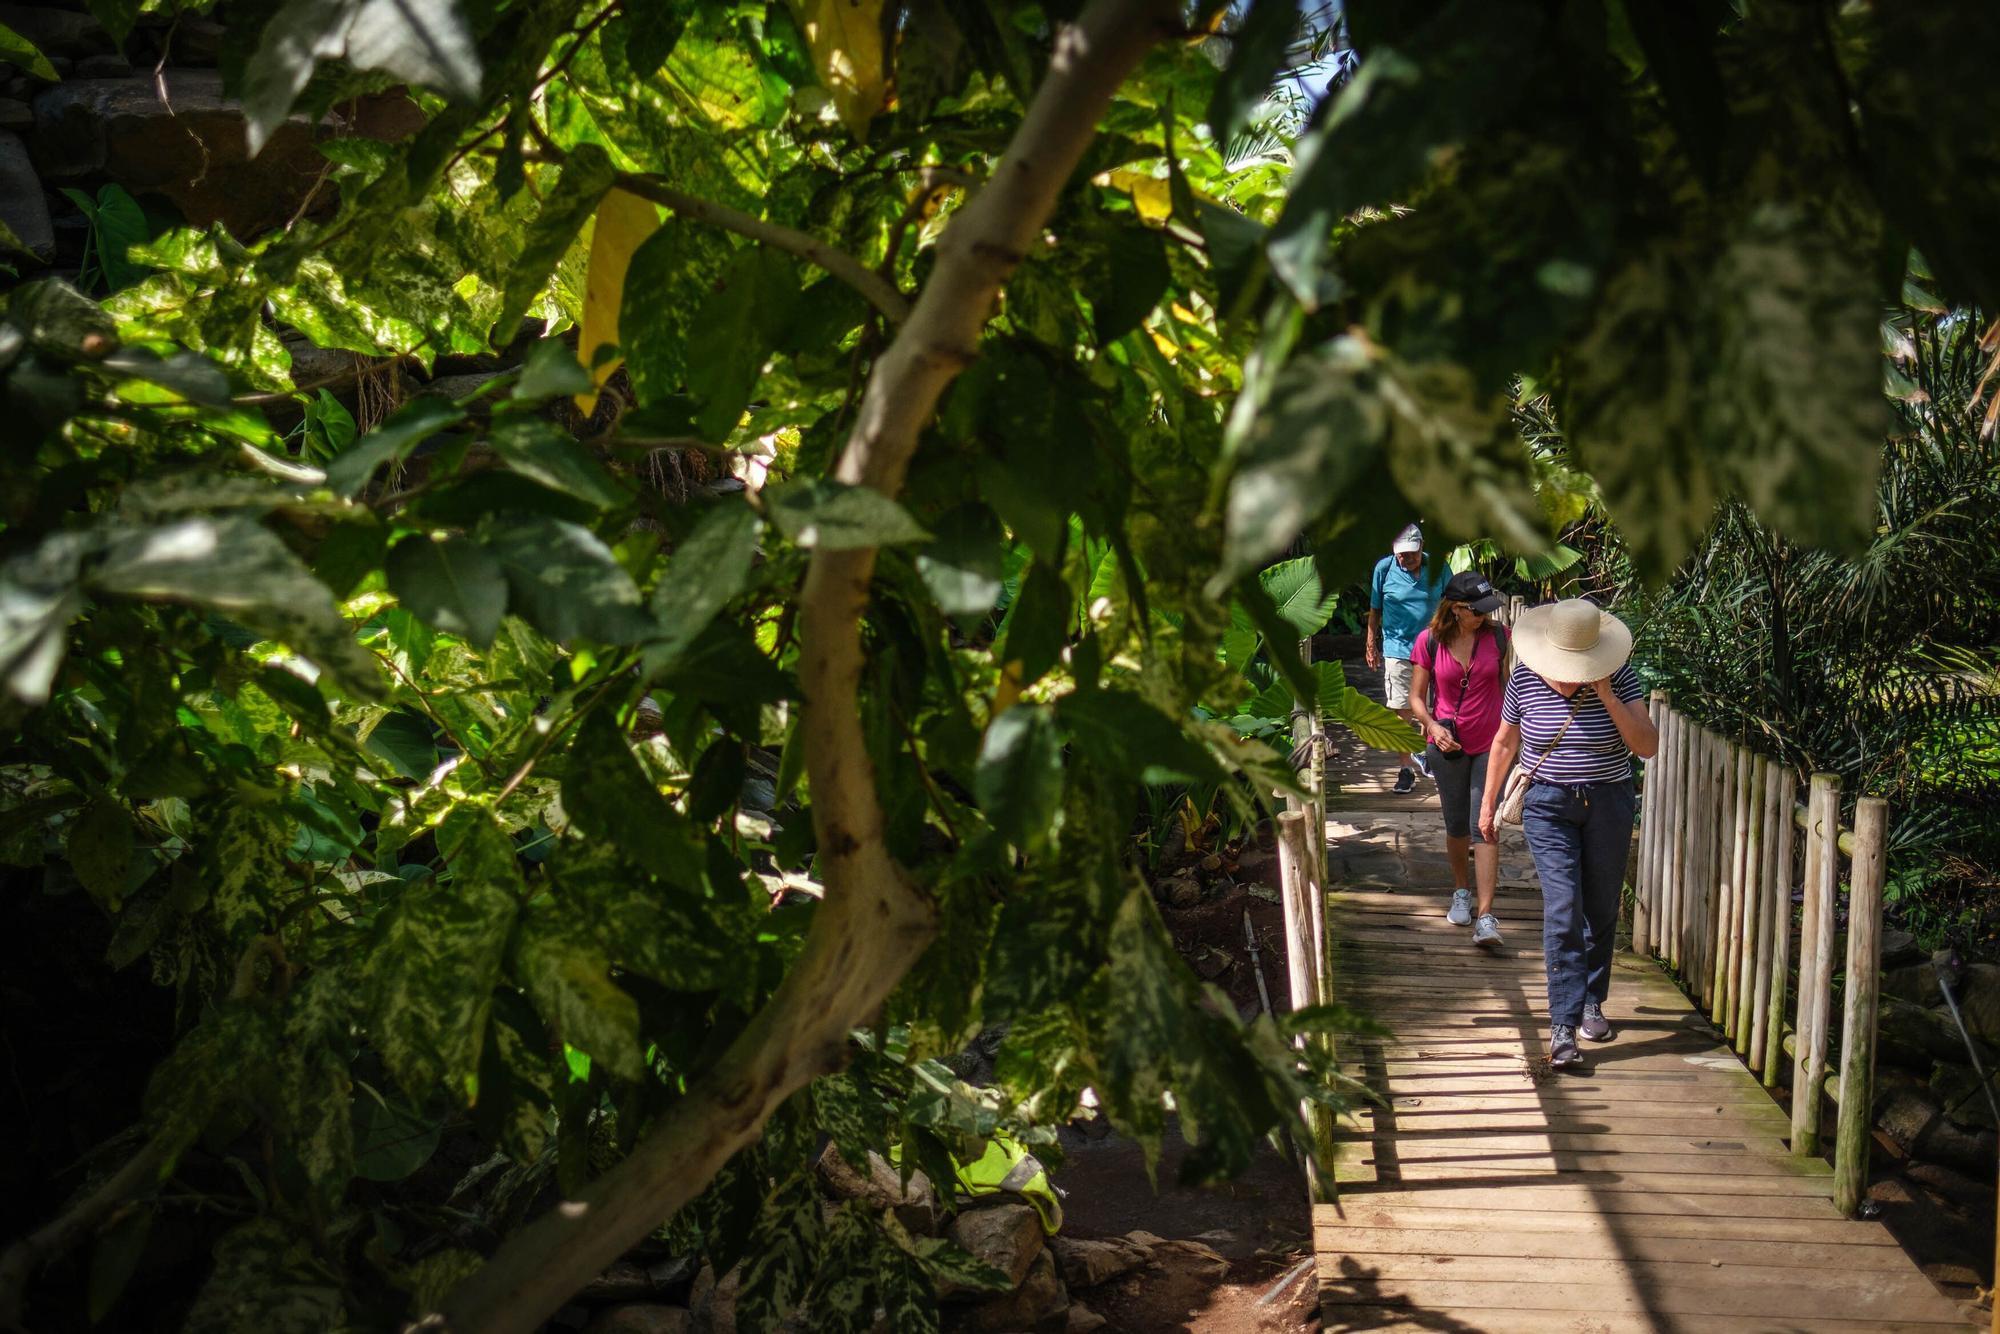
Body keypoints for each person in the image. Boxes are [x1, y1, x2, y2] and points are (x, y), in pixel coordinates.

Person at [1478, 599, 1657, 1072]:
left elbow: (1647, 746)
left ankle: (1591, 1002)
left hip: (1609, 801)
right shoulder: (1525, 679)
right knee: (1563, 906)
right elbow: (1504, 741)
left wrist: (1607, 697)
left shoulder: (1619, 677)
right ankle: (1561, 1025)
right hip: (1547, 804)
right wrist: (1487, 803)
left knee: (1599, 906)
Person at [1409, 571, 1509, 948]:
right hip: (1448, 743)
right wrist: (1432, 726)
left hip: (1491, 745)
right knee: (1456, 825)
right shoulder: (1430, 641)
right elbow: (1417, 698)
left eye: (1487, 609)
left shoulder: (1499, 637)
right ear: (1455, 608)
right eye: (1477, 610)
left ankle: (1486, 916)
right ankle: (1461, 890)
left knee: (1484, 823)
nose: (1484, 616)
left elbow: (1510, 684)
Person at [1366, 523, 1448, 794]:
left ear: (1421, 546)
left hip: (1435, 646)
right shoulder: (1384, 569)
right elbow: (1375, 609)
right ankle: (1405, 768)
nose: (1407, 558)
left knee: (1435, 705)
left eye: (1411, 553)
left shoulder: (1438, 567)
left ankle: (1428, 754)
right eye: (1402, 554)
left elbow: (1452, 603)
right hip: (1398, 649)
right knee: (1403, 710)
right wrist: (1370, 642)